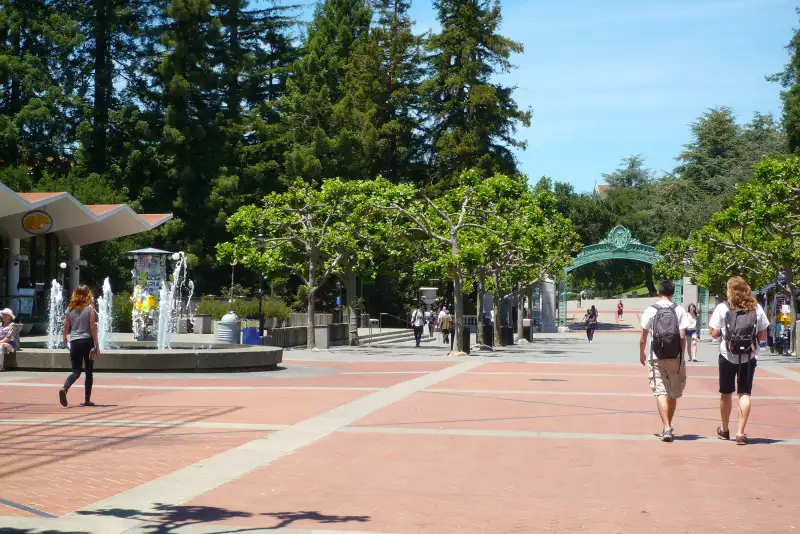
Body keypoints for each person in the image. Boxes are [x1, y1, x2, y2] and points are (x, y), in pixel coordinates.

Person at [709, 276, 769, 445]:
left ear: (730, 290)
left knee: (726, 393)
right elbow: (763, 335)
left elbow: (714, 334)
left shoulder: (722, 308)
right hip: (748, 356)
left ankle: (725, 429)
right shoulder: (756, 308)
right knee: (744, 393)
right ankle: (740, 432)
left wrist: (724, 333)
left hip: (727, 355)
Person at [640, 280, 691, 442]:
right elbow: (682, 336)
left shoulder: (650, 310)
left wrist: (642, 353)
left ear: (658, 292)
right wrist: (682, 355)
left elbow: (643, 336)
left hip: (656, 356)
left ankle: (667, 427)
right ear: (673, 293)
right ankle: (668, 425)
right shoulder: (679, 310)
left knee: (660, 391)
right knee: (673, 393)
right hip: (675, 356)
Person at [59, 285, 101, 407]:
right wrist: (97, 345)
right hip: (87, 342)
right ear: (89, 294)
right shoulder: (90, 308)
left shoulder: (70, 308)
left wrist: (64, 338)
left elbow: (66, 325)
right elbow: (92, 327)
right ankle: (87, 399)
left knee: (75, 372)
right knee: (89, 372)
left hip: (75, 342)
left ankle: (65, 388)